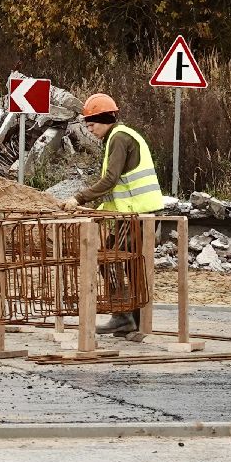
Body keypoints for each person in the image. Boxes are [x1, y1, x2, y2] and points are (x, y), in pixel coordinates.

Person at [72, 93, 164, 334]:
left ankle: (124, 316)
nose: (90, 130)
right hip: (135, 214)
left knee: (110, 261)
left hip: (138, 216)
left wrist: (78, 198)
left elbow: (110, 180)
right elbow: (119, 189)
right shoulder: (118, 137)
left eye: (91, 124)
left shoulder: (119, 138)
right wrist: (99, 211)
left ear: (104, 119)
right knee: (128, 266)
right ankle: (135, 322)